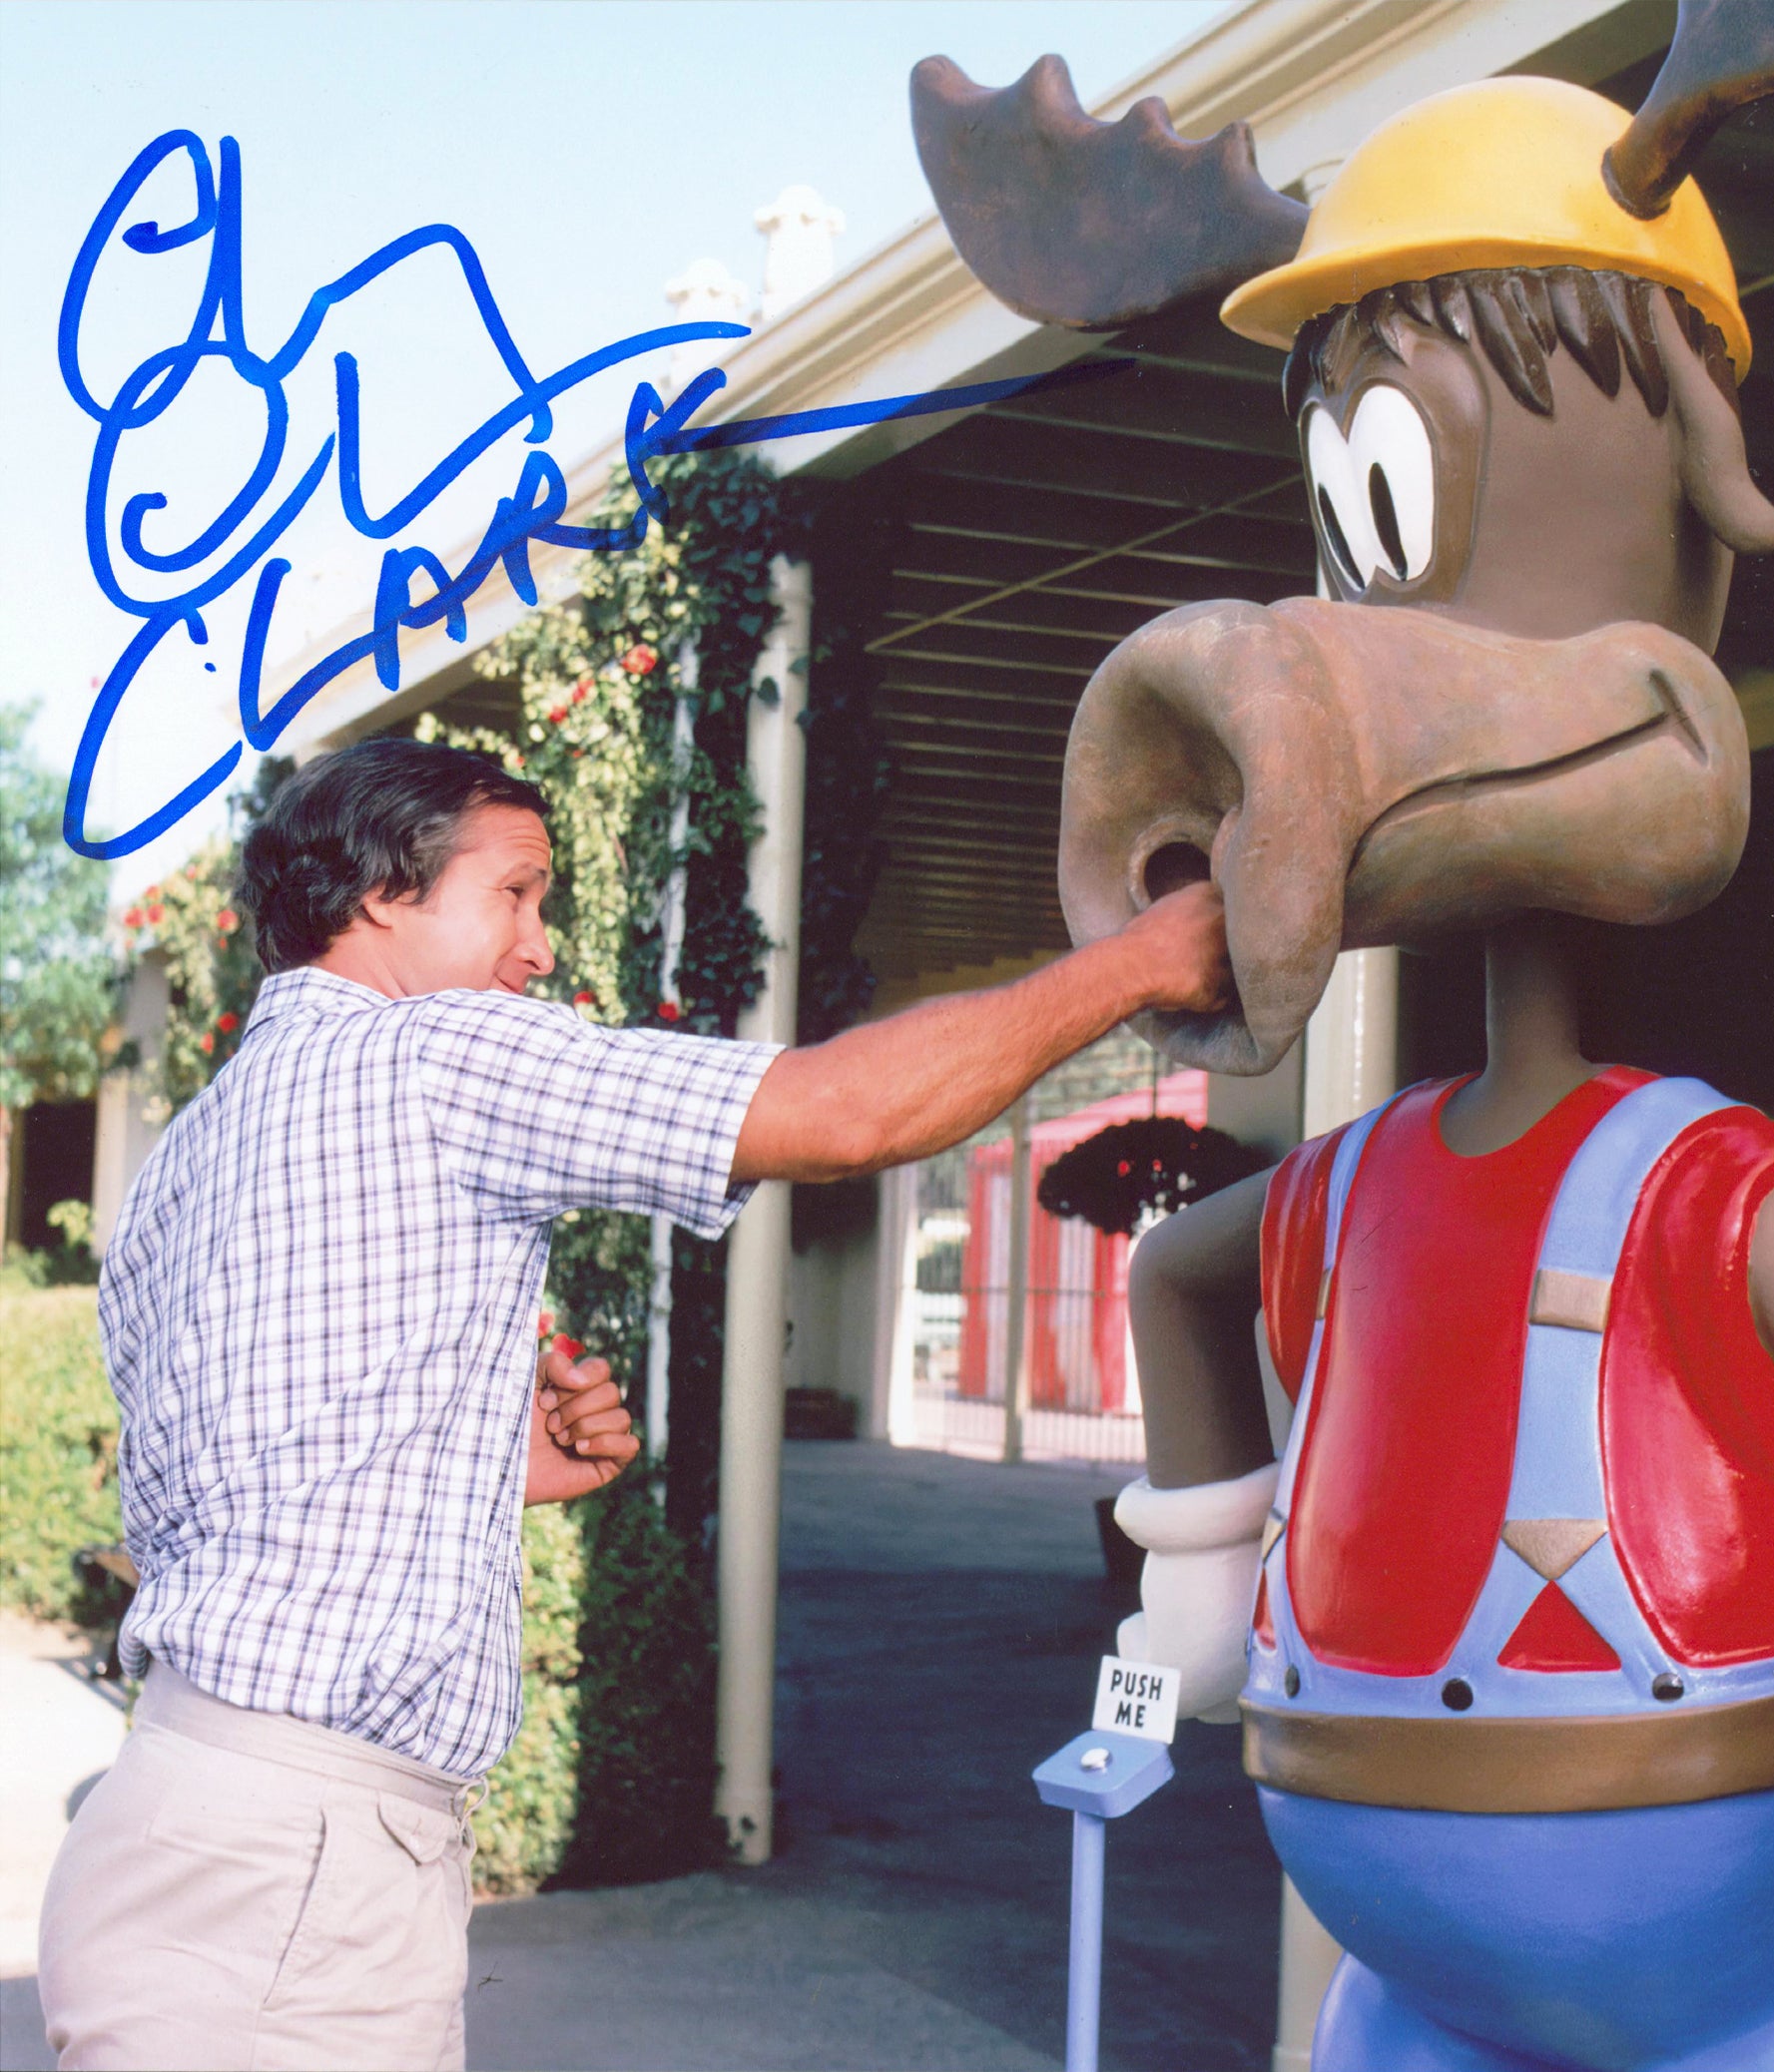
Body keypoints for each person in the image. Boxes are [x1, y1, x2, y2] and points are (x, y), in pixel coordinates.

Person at [37, 738, 1230, 2071]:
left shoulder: (189, 1154)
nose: (541, 949)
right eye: (517, 894)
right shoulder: (435, 1060)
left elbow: (215, 1490)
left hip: (173, 1823)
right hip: (301, 1873)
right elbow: (844, 1112)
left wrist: (481, 1458)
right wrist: (1141, 963)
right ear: (380, 893)